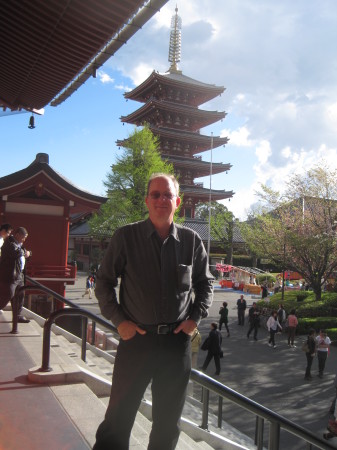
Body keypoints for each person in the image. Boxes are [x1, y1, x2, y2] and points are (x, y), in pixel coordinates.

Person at [93, 173, 213, 450]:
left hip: (175, 341)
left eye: (167, 195)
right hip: (136, 339)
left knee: (168, 421)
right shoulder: (126, 237)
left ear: (178, 201)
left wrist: (195, 318)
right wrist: (119, 321)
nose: (161, 200)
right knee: (118, 416)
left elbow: (206, 284)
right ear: (147, 200)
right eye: (156, 194)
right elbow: (104, 283)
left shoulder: (191, 240)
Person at [0, 227, 31, 322]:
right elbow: (15, 252)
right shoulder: (9, 242)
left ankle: (17, 316)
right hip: (10, 274)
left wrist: (28, 253)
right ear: (17, 234)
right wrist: (26, 252)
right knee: (8, 294)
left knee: (20, 295)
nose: (24, 239)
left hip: (19, 274)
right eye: (23, 237)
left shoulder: (19, 244)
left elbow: (24, 254)